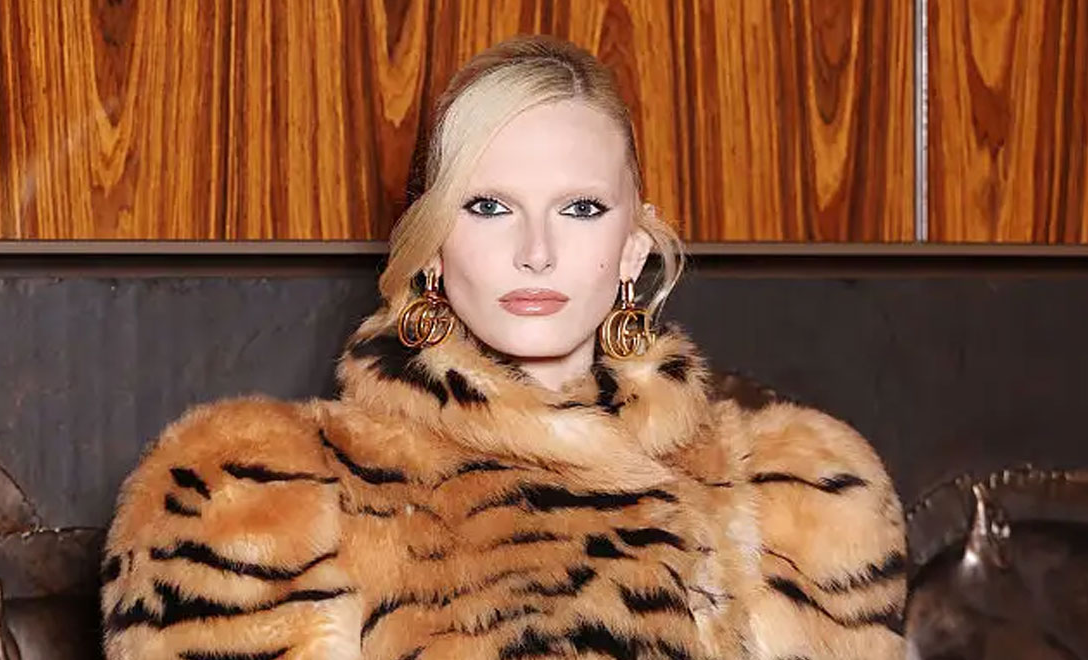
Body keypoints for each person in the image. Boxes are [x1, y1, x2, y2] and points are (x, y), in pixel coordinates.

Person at [99, 35, 906, 659]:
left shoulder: (798, 497)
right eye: (488, 206)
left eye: (581, 209)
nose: (537, 253)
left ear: (632, 248)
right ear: (432, 244)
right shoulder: (260, 495)